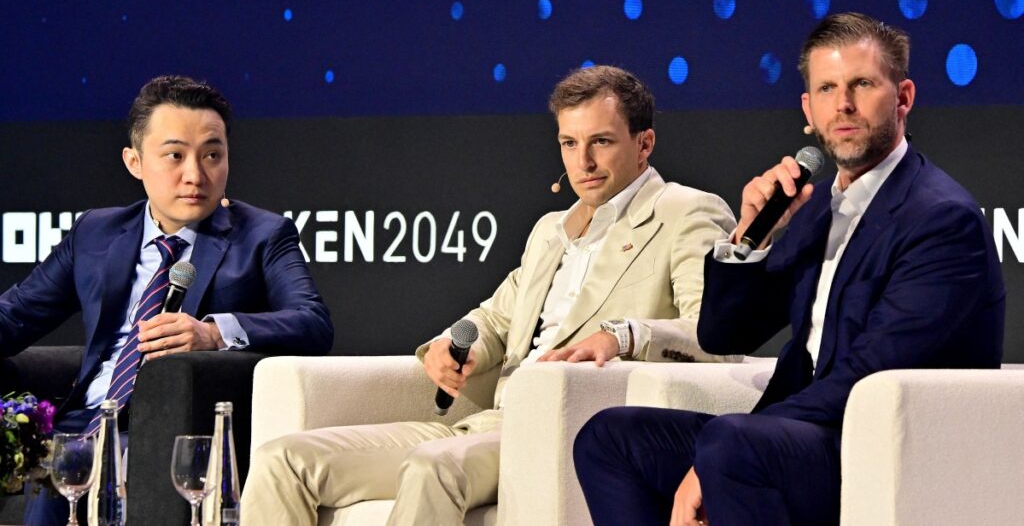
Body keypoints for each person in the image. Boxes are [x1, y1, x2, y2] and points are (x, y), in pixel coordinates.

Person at [240, 65, 737, 525]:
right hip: (487, 424)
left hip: (566, 430)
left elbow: (718, 337)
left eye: (601, 142)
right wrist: (456, 346)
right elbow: (496, 318)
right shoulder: (551, 230)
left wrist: (624, 336)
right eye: (568, 143)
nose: (582, 162)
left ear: (644, 143)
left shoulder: (685, 212)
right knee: (283, 460)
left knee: (431, 466)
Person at [573, 12, 1005, 526]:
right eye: (826, 89)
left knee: (730, 445)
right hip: (793, 439)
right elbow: (723, 334)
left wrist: (715, 457)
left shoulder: (940, 219)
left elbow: (868, 374)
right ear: (808, 108)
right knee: (610, 439)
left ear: (904, 97)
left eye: (862, 84)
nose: (842, 105)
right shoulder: (816, 206)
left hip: (879, 449)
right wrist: (749, 238)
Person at [0, 75, 334, 525]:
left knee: (72, 475)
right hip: (82, 423)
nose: (195, 175)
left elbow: (313, 323)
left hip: (173, 430)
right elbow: (15, 316)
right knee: (60, 466)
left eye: (212, 155)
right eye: (175, 155)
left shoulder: (261, 236)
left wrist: (214, 333)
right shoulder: (96, 232)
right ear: (135, 162)